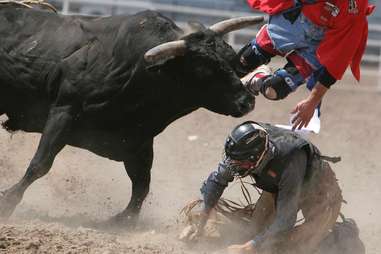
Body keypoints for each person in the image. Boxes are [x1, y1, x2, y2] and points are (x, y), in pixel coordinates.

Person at [194, 121, 343, 254]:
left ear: (255, 158)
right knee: (254, 231)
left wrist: (247, 248)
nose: (232, 166)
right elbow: (217, 180)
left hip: (318, 193)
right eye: (231, 160)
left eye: (238, 163)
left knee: (294, 247)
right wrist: (204, 218)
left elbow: (285, 221)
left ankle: (341, 235)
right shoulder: (244, 149)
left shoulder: (289, 161)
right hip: (279, 186)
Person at [237, 0, 375, 130]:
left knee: (273, 90)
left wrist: (312, 102)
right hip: (291, 22)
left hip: (316, 46)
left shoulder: (353, 9)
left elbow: (338, 60)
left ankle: (258, 77)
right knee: (244, 61)